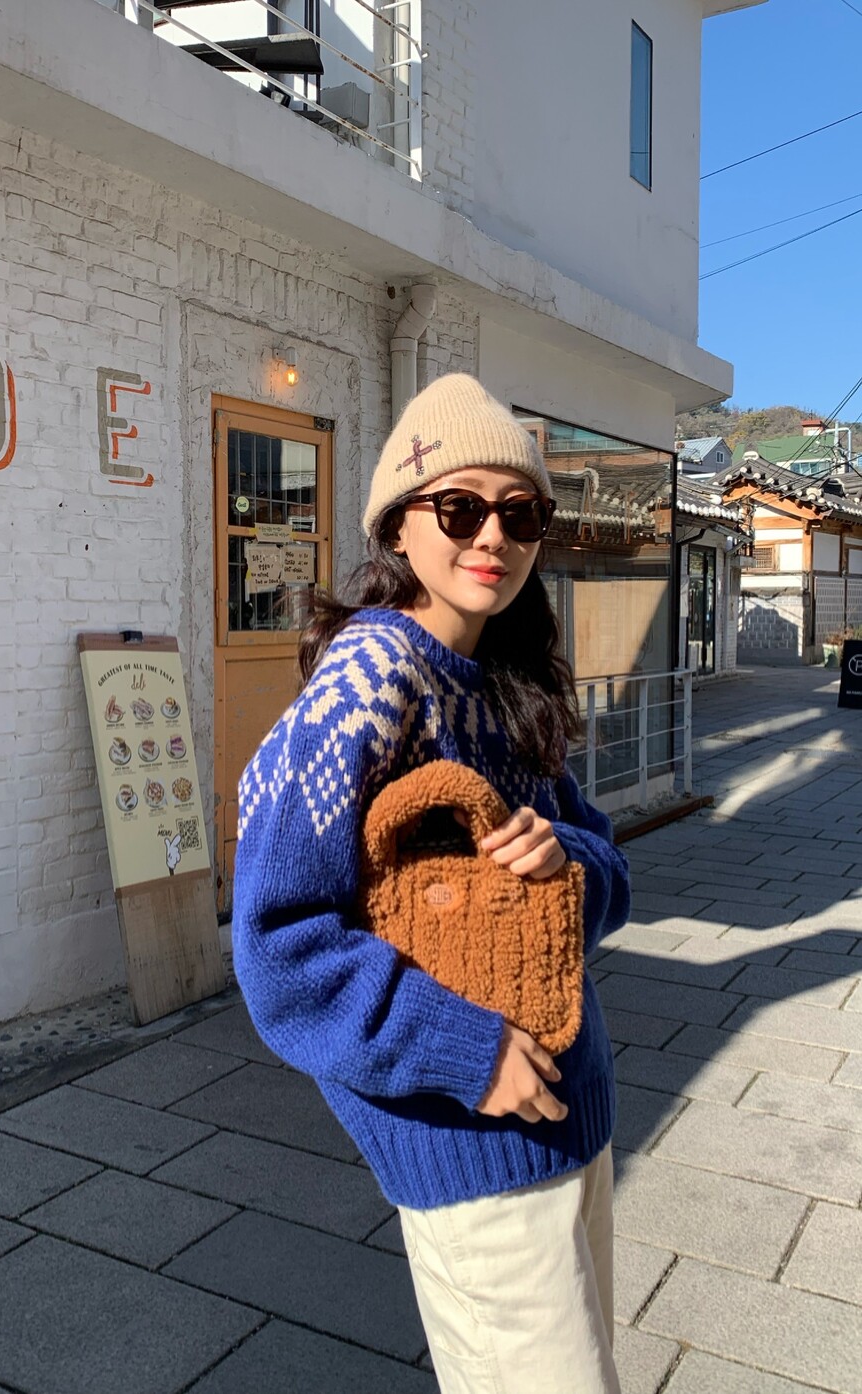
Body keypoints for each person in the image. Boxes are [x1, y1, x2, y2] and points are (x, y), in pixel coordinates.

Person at [232, 374, 630, 1394]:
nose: (493, 534)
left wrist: (564, 860)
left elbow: (610, 867)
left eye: (521, 512)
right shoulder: (369, 678)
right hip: (470, 1138)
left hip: (573, 1113)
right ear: (397, 526)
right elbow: (281, 947)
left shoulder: (505, 680)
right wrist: (463, 1050)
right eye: (459, 507)